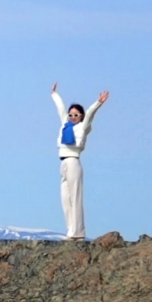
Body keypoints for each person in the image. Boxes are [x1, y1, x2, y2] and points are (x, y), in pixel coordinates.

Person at [51, 83, 109, 241]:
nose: (73, 117)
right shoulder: (65, 124)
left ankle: (78, 232)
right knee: (65, 199)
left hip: (73, 161)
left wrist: (99, 103)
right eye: (71, 115)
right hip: (63, 162)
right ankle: (71, 230)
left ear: (81, 117)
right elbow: (61, 109)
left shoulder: (83, 127)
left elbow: (90, 113)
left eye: (76, 115)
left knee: (75, 198)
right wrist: (55, 95)